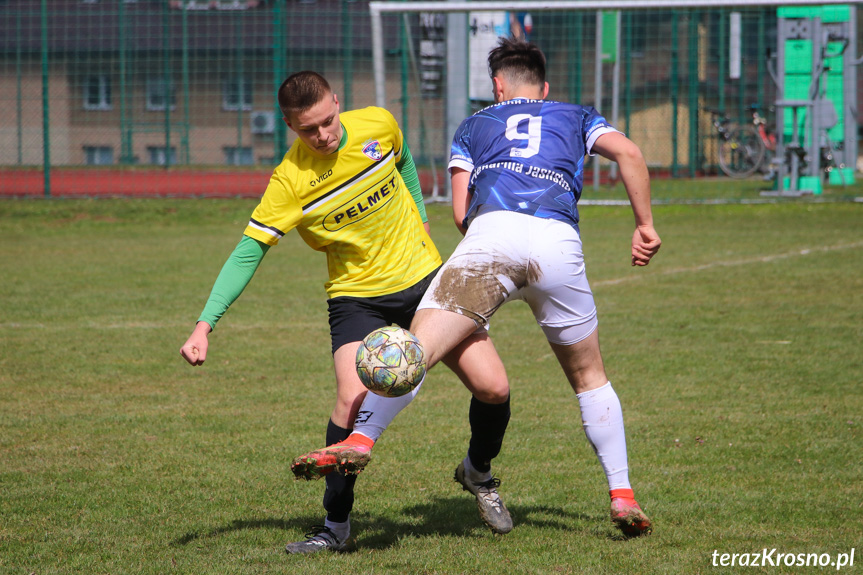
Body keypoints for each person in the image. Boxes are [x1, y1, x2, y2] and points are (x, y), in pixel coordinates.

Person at [294, 37, 660, 537]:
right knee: (590, 378)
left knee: (415, 351)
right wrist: (644, 226)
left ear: (497, 86)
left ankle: (361, 441)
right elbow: (629, 153)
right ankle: (622, 494)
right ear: (544, 88)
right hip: (557, 244)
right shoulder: (576, 114)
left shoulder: (474, 125)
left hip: (491, 240)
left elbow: (463, 214)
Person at [179, 70, 513, 554]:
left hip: (426, 283)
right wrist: (204, 325)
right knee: (351, 401)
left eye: (328, 121)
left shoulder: (378, 124)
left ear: (338, 102)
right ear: (290, 126)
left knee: (493, 387)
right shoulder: (290, 180)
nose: (323, 135)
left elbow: (404, 163)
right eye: (308, 129)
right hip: (357, 299)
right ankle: (335, 526)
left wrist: (419, 216)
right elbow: (248, 251)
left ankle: (478, 473)